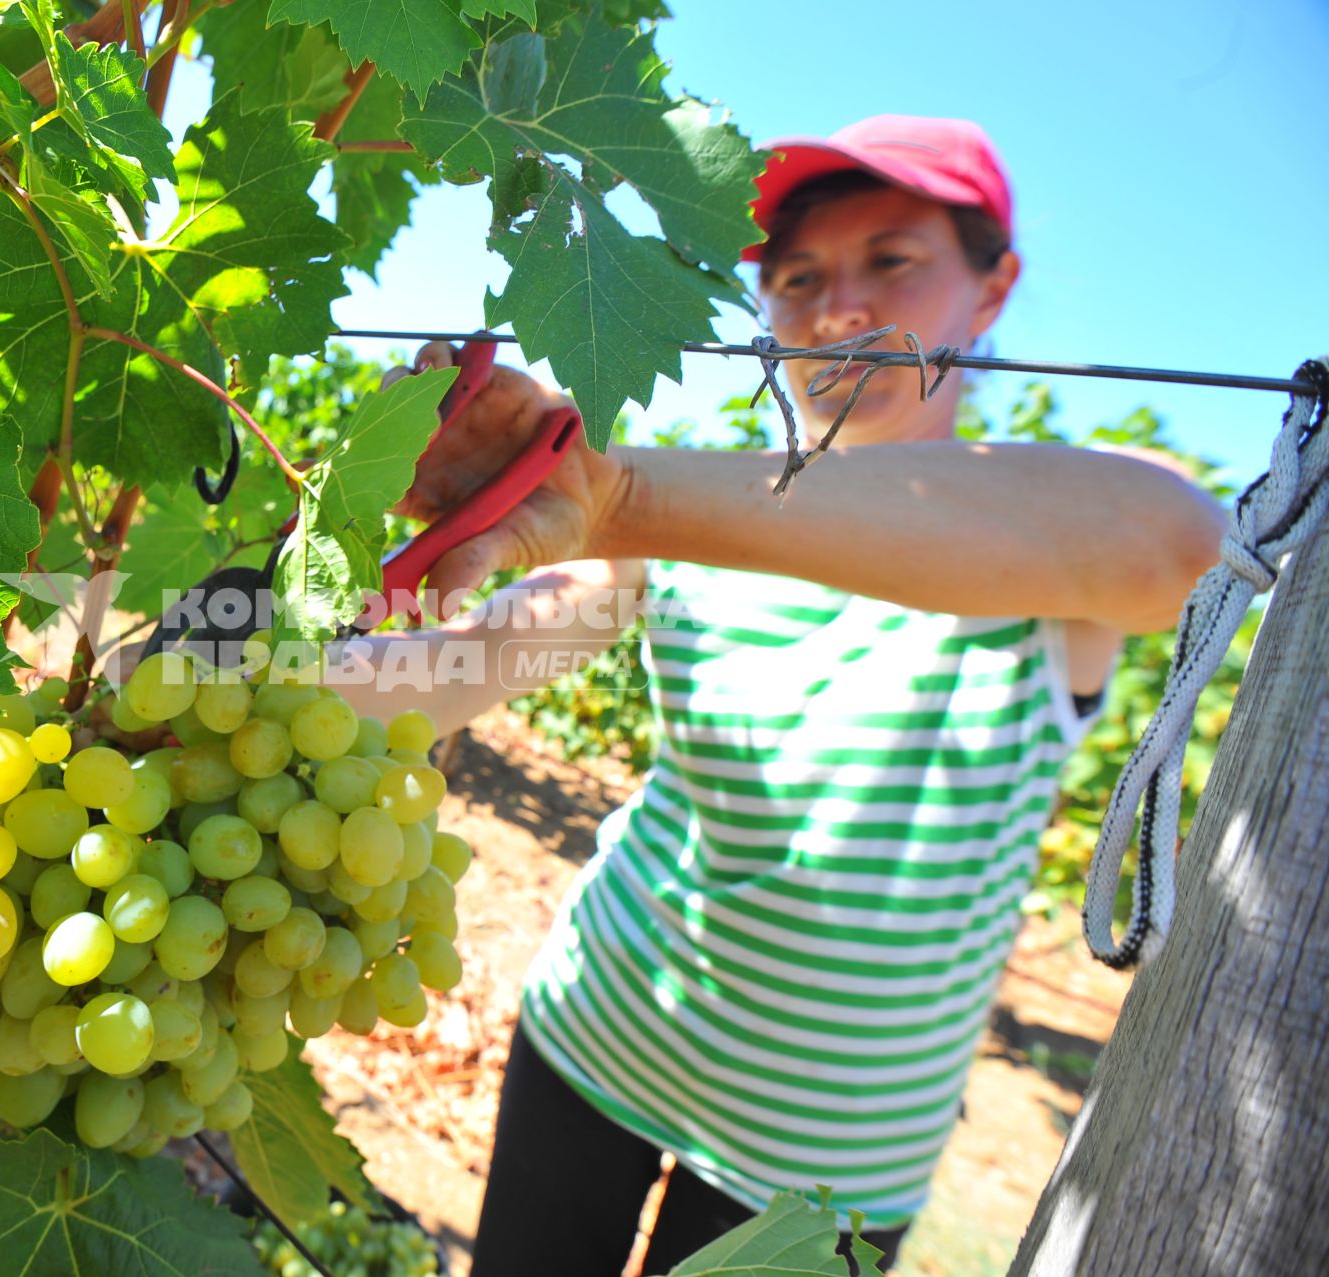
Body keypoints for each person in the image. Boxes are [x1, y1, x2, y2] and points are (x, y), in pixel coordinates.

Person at [339, 115, 1227, 1275]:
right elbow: (457, 668)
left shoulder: (1043, 558)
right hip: (597, 1037)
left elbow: (1181, 545)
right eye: (799, 276)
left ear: (994, 288)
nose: (839, 306)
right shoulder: (683, 527)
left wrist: (625, 496)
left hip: (825, 1167)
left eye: (893, 260)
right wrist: (226, 676)